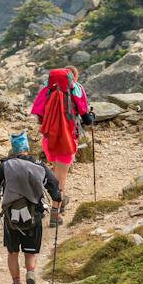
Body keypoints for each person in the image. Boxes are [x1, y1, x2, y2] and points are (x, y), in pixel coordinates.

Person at [0, 132, 63, 284]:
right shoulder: (39, 165)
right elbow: (54, 186)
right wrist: (57, 198)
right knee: (30, 252)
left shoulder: (6, 166)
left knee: (12, 253)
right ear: (27, 147)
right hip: (34, 215)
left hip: (11, 217)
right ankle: (30, 273)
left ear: (13, 149)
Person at [30, 67, 91, 224]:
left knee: (55, 173)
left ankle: (56, 202)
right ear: (73, 77)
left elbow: (38, 113)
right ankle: (55, 214)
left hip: (48, 139)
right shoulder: (77, 89)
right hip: (67, 139)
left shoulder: (47, 89)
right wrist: (90, 116)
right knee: (60, 179)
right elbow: (86, 117)